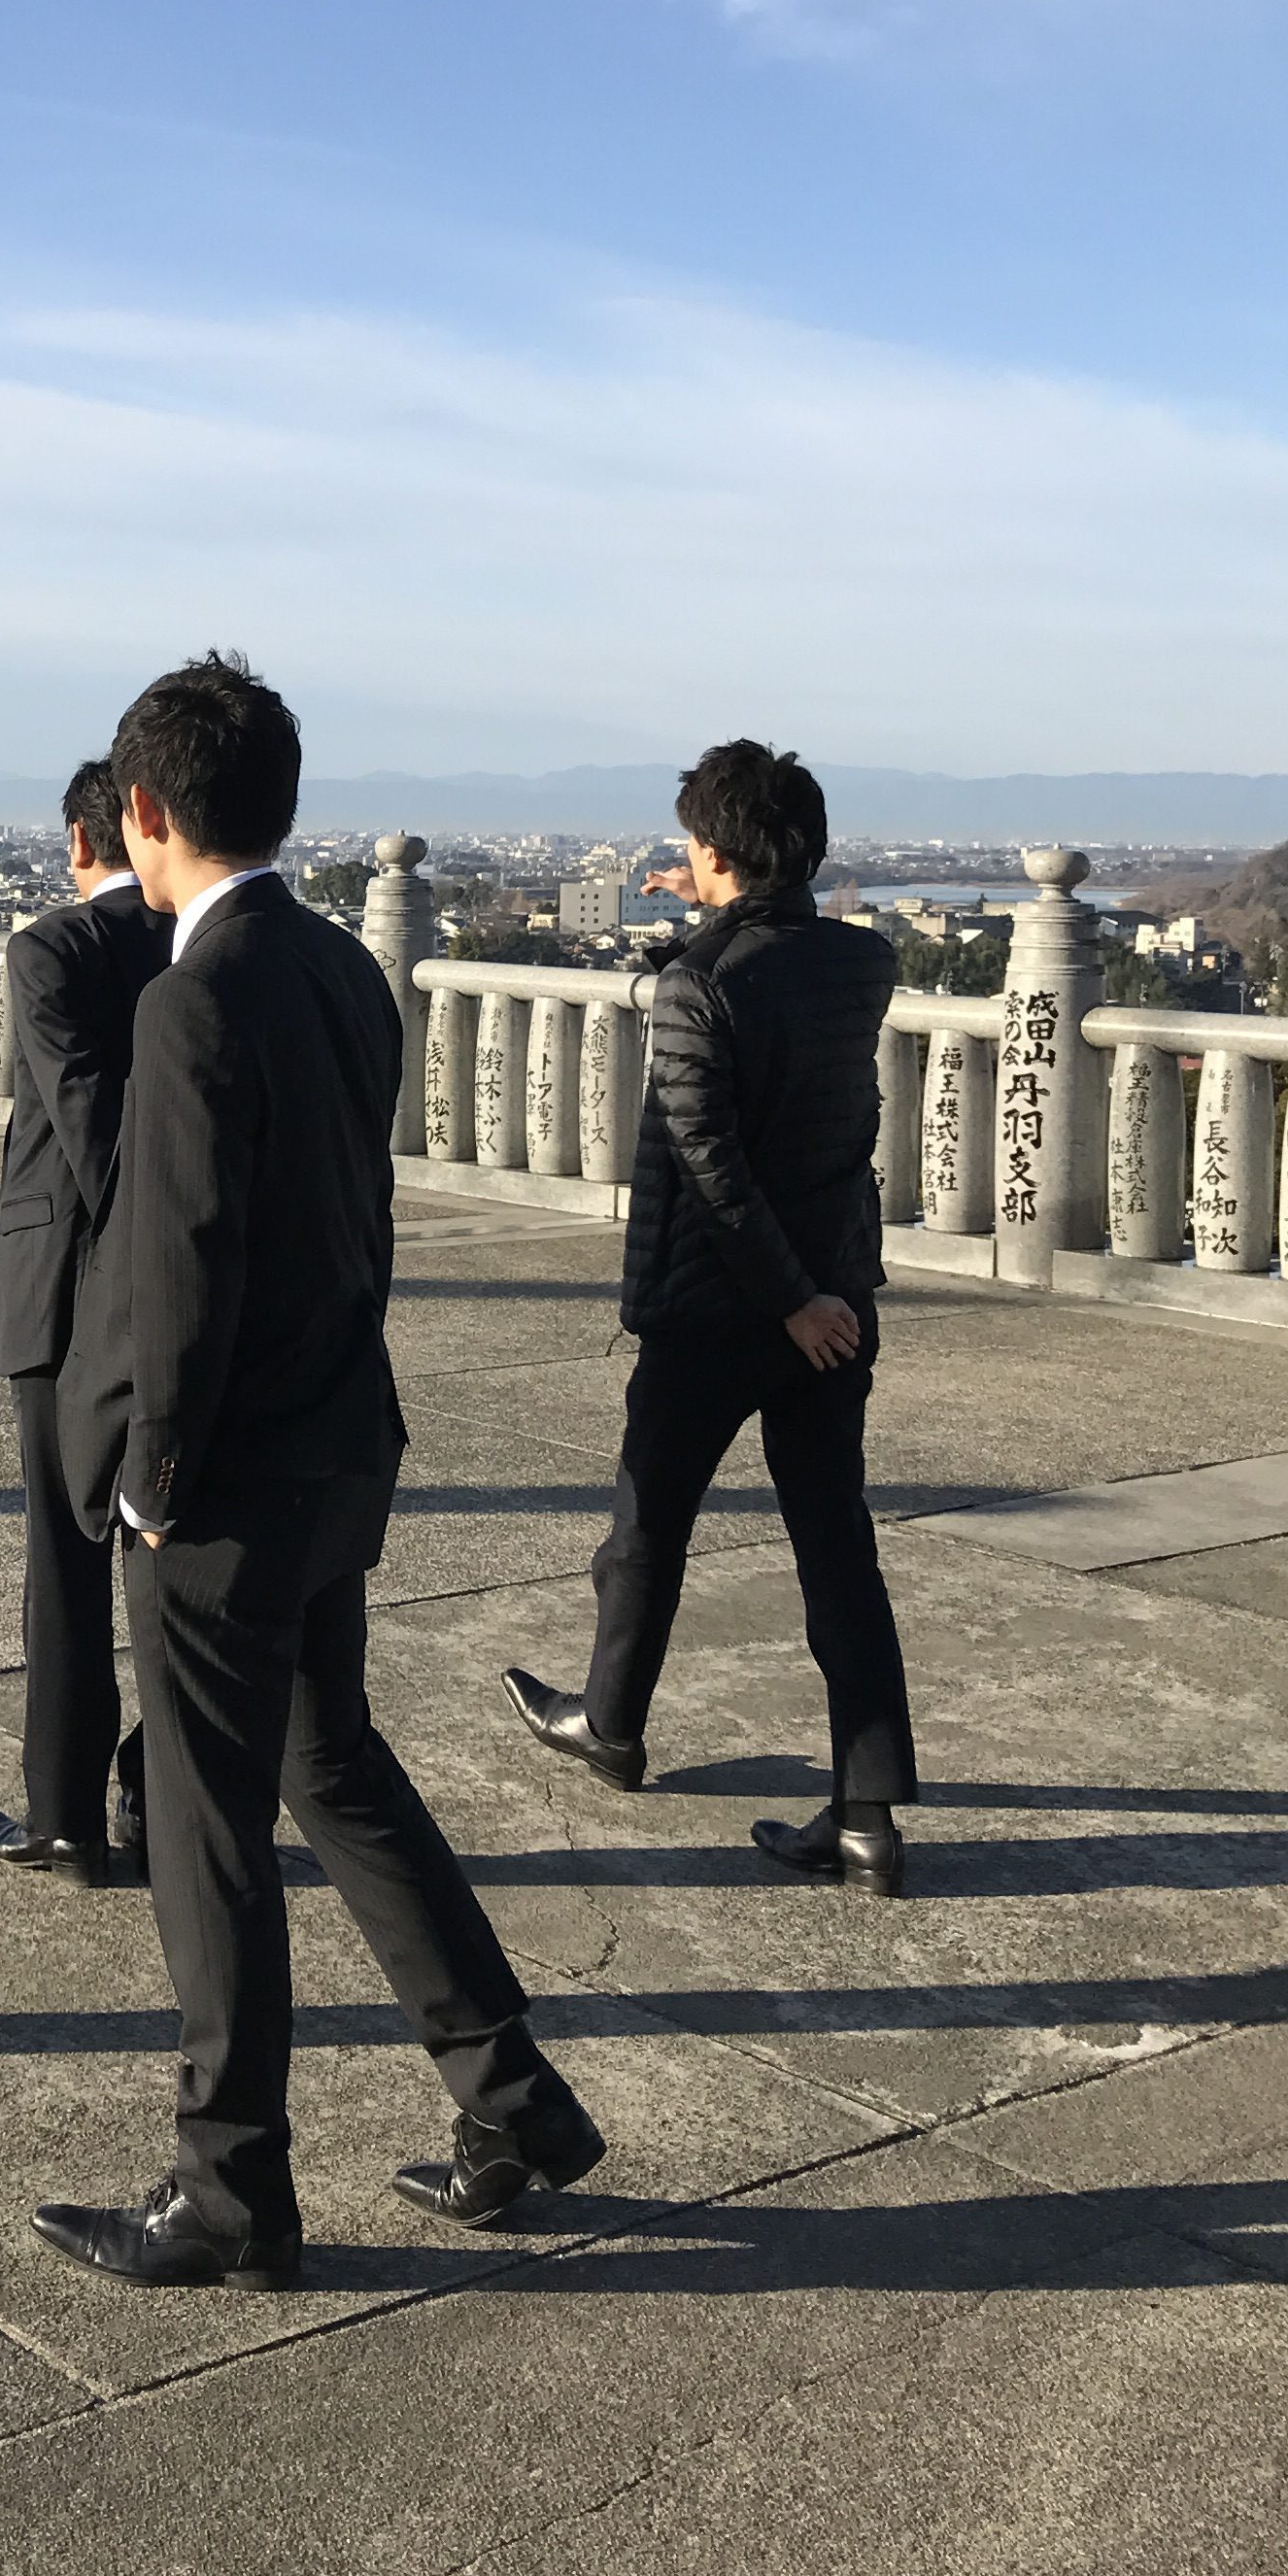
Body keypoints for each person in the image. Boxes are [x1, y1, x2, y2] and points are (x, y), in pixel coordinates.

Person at [35, 654, 603, 2288]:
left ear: (145, 809)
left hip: (221, 1481)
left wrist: (149, 1475)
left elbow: (183, 1263)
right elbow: (342, 1226)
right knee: (333, 1771)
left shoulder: (188, 997)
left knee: (209, 1830)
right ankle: (513, 2097)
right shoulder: (346, 968)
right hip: (335, 1441)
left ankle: (228, 2187)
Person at [500, 736, 917, 1894]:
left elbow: (712, 1162)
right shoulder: (863, 963)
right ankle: (869, 1816)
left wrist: (786, 1302)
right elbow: (782, 1010)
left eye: (695, 849)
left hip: (721, 1307)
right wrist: (817, 1299)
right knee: (838, 1554)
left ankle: (612, 1722)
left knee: (648, 1523)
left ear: (718, 856)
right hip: (837, 1301)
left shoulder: (700, 985)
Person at [0, 757, 165, 1884]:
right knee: (166, 1563)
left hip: (61, 1295)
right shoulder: (198, 944)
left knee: (65, 1560)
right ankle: (152, 1782)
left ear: (83, 840)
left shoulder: (53, 948)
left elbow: (88, 1125)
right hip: (186, 1293)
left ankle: (65, 1815)